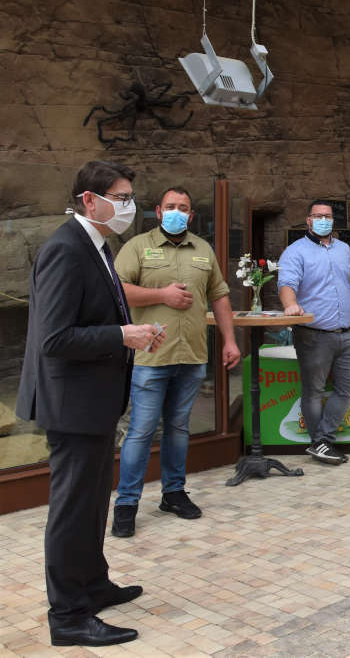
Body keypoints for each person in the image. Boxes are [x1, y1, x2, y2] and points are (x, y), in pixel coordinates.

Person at [15, 160, 165, 647]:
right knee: (72, 509)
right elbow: (54, 338)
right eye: (121, 197)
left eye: (129, 197)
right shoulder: (64, 248)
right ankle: (68, 616)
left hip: (94, 402)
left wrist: (134, 336)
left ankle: (93, 584)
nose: (128, 206)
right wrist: (123, 334)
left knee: (92, 501)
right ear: (89, 199)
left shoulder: (96, 246)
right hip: (72, 404)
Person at [110, 186, 241, 538]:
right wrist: (161, 295)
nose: (176, 212)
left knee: (179, 429)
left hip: (192, 355)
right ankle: (126, 504)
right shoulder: (138, 246)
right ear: (157, 210)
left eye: (183, 207)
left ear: (191, 215)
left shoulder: (203, 249)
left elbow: (220, 296)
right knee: (141, 431)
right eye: (170, 206)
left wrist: (229, 340)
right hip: (150, 357)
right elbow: (116, 289)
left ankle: (173, 493)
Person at [278, 199, 350, 464]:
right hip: (313, 333)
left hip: (345, 333)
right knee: (313, 390)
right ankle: (321, 443)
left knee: (349, 387)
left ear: (333, 221)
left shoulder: (344, 249)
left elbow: (348, 285)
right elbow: (287, 284)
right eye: (318, 215)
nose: (324, 219)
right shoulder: (295, 251)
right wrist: (290, 306)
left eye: (328, 216)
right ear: (309, 220)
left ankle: (323, 440)